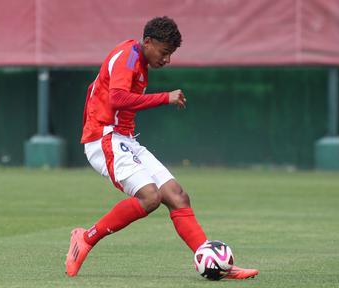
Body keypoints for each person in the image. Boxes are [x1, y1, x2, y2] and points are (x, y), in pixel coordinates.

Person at [65, 16, 258, 280]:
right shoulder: (128, 56)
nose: (167, 60)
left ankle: (216, 263)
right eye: (165, 52)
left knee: (178, 196)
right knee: (150, 197)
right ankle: (85, 239)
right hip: (104, 138)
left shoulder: (139, 61)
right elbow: (117, 98)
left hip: (124, 139)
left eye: (171, 54)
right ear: (148, 42)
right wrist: (165, 97)